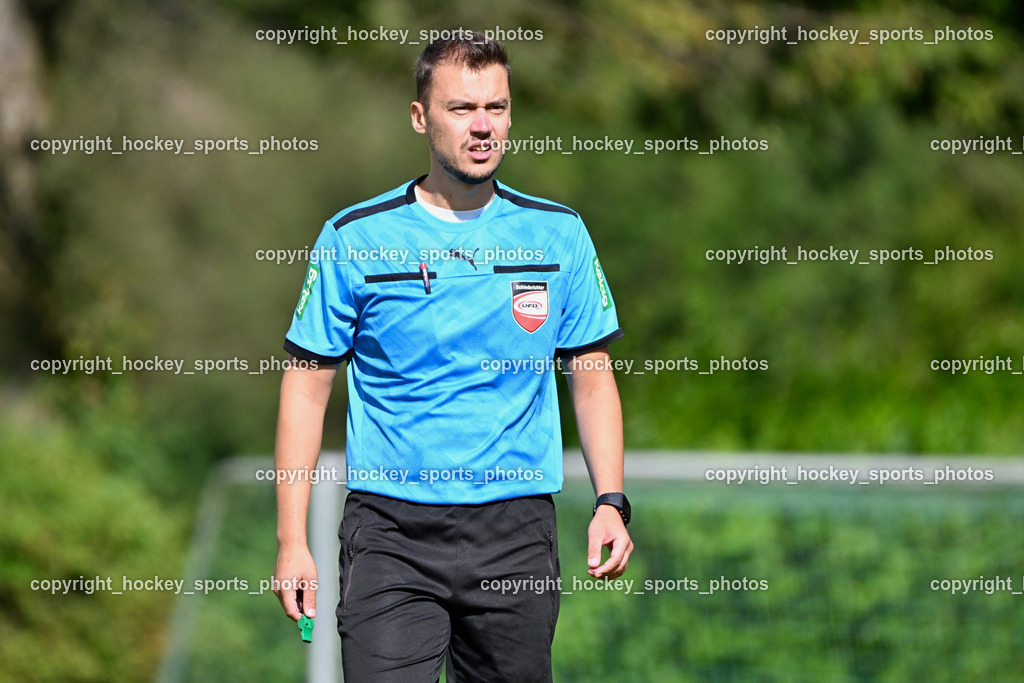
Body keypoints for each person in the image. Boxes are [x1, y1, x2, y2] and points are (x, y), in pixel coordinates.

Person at [273, 32, 632, 682]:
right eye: (462, 109)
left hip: (516, 526)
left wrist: (612, 499)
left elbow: (592, 374)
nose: (482, 126)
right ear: (421, 117)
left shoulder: (557, 234)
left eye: (495, 108)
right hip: (390, 529)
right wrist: (291, 540)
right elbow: (306, 386)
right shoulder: (356, 238)